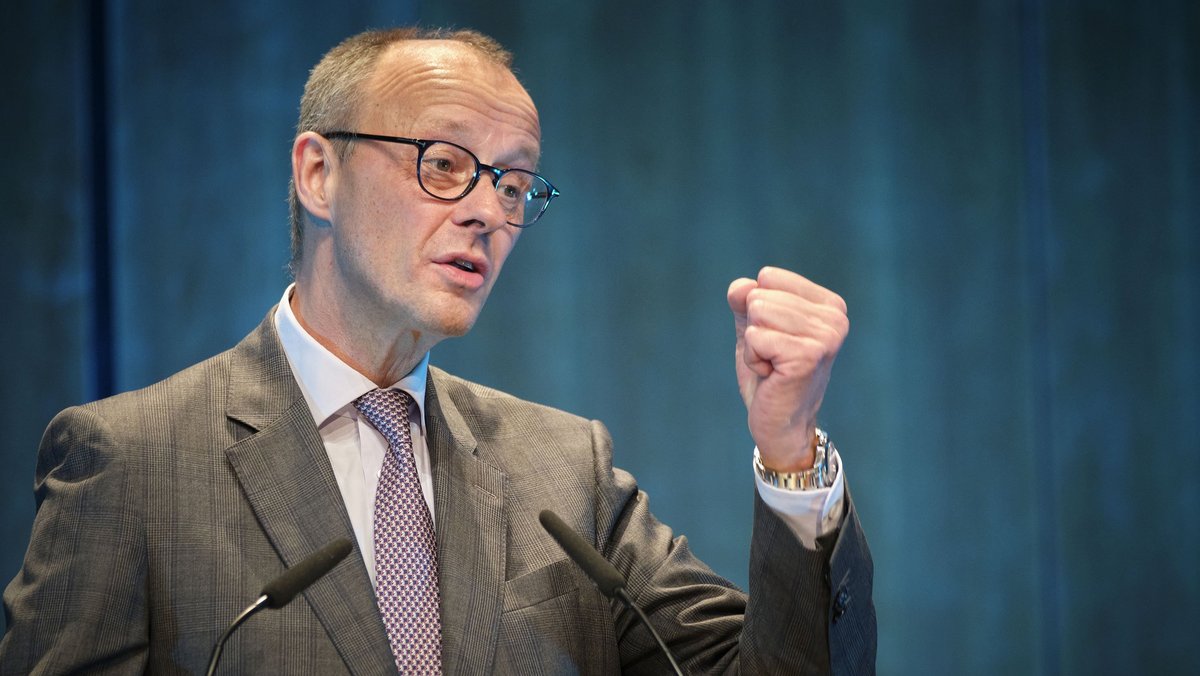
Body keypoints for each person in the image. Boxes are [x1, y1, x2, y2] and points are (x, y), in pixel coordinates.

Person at [1, 27, 875, 675]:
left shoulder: (562, 472)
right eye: (445, 164)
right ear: (318, 174)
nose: (489, 212)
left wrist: (790, 447)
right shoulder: (135, 464)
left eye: (515, 182)